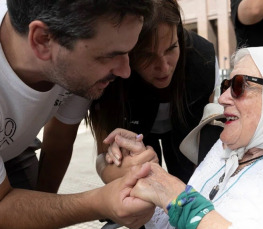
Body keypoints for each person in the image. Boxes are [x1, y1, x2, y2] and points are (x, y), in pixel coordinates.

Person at [109, 47, 263, 229]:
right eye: (226, 85)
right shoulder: (227, 149)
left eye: (239, 86)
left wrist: (179, 198)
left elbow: (182, 204)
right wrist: (144, 170)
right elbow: (170, 221)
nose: (222, 98)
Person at [0, 0, 157, 228]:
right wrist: (101, 201)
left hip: (16, 146)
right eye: (108, 56)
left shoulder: (72, 58)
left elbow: (59, 141)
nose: (125, 71)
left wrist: (42, 215)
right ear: (43, 40)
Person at [88, 0, 219, 184]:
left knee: (189, 178)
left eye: (171, 48)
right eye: (147, 56)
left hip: (185, 129)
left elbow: (209, 149)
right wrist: (112, 170)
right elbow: (105, 155)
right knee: (137, 180)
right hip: (135, 127)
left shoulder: (203, 59)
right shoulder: (111, 76)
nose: (164, 67)